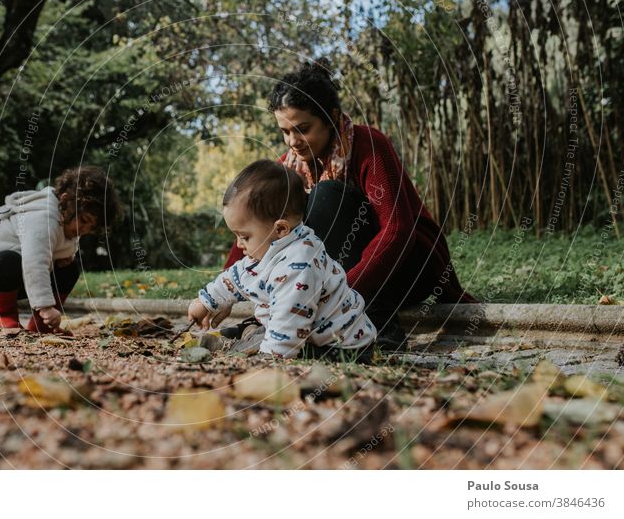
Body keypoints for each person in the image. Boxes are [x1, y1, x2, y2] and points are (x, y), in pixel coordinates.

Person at [223, 60, 476, 350]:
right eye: (285, 131)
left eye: (303, 128)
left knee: (328, 195)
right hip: (339, 281)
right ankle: (286, 326)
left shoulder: (369, 145)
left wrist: (340, 295)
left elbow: (397, 230)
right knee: (291, 223)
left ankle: (378, 321)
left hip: (408, 267)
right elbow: (253, 222)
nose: (293, 141)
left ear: (330, 118)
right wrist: (222, 292)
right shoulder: (288, 168)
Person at [188, 160, 377, 360]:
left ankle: (253, 341)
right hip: (303, 330)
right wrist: (206, 302)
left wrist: (269, 359)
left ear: (280, 229)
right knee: (269, 335)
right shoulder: (272, 247)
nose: (239, 244)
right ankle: (251, 337)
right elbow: (237, 276)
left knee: (279, 344)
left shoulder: (298, 265)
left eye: (244, 236)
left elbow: (290, 320)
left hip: (342, 346)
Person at [0, 166, 121, 334]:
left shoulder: (67, 220)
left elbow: (58, 248)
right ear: (65, 200)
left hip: (21, 280)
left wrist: (64, 258)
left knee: (70, 269)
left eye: (91, 227)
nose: (84, 229)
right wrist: (46, 307)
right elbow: (35, 263)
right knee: (10, 261)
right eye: (84, 220)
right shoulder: (43, 217)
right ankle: (3, 315)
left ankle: (42, 324)